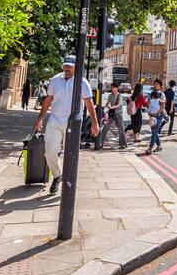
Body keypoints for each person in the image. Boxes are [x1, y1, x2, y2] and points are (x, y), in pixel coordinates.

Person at [33, 56, 100, 196]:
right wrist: (40, 119)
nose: (67, 69)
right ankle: (57, 175)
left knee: (71, 155)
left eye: (70, 66)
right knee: (50, 152)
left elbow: (89, 103)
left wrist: (95, 123)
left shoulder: (82, 82)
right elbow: (48, 100)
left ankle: (69, 182)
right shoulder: (55, 80)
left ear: (76, 66)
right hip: (55, 121)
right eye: (65, 66)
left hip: (73, 124)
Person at [97, 83, 129, 149]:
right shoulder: (110, 96)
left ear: (117, 88)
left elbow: (119, 104)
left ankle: (123, 144)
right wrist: (104, 106)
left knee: (121, 129)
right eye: (111, 87)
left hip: (118, 114)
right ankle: (100, 143)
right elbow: (107, 103)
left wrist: (111, 107)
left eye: (114, 87)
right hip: (112, 114)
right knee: (106, 127)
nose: (112, 89)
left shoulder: (120, 96)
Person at [145, 83, 167, 153]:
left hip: (158, 116)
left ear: (160, 86)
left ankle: (150, 148)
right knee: (154, 132)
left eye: (157, 85)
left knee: (154, 132)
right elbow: (148, 104)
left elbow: (163, 105)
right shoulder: (151, 94)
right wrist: (148, 109)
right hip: (151, 115)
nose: (155, 86)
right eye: (154, 84)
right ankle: (159, 146)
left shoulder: (161, 94)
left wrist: (157, 113)